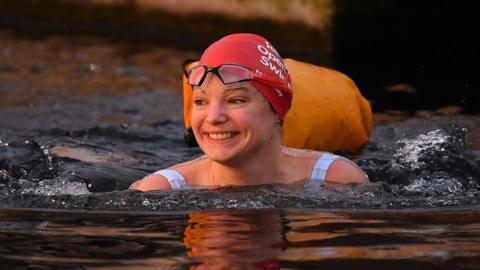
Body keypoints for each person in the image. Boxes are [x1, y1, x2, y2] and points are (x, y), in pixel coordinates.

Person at [130, 33, 368, 191]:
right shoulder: (159, 190)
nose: (213, 117)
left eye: (236, 100)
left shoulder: (338, 179)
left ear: (277, 109)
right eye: (201, 102)